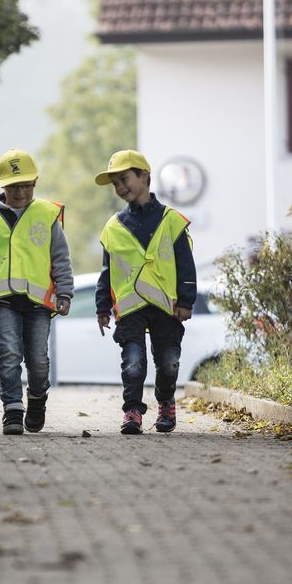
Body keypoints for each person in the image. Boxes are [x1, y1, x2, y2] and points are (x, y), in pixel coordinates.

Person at [0, 149, 73, 435]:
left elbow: (60, 258)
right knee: (9, 355)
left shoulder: (47, 215)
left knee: (38, 361)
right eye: (14, 186)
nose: (21, 192)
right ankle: (12, 410)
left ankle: (37, 398)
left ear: (35, 183)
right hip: (3, 301)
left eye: (27, 185)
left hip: (39, 303)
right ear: (2, 185)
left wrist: (65, 293)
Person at [94, 150, 197, 435]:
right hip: (130, 307)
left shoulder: (172, 220)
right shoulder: (113, 227)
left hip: (166, 306)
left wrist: (186, 301)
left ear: (144, 176)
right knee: (133, 363)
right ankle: (132, 411)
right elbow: (107, 271)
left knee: (169, 363)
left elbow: (185, 265)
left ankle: (165, 402)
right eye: (115, 183)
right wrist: (102, 307)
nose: (120, 187)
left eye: (124, 179)